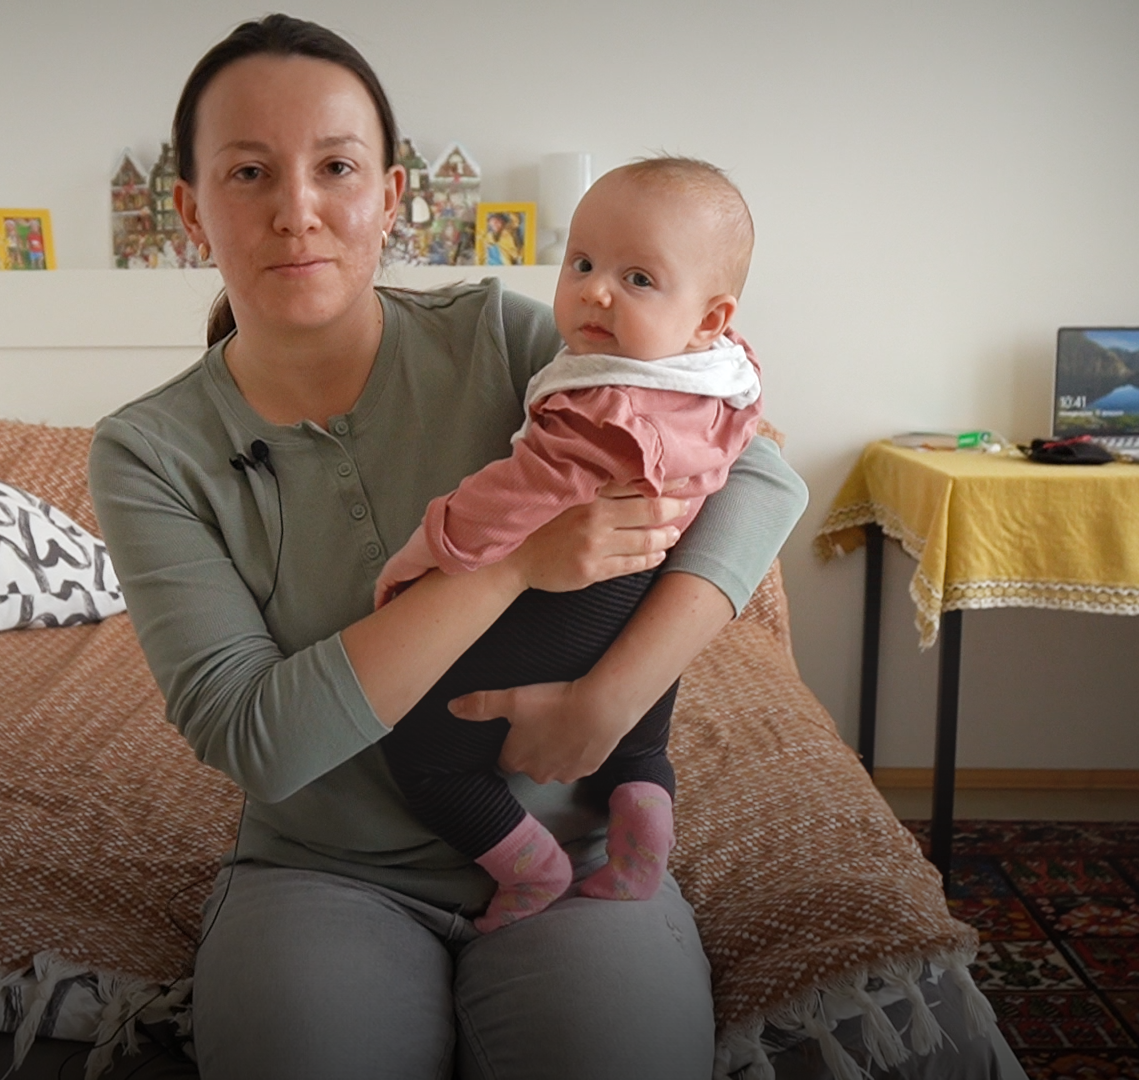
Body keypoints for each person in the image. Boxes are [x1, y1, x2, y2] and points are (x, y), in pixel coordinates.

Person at [88, 13, 807, 1079]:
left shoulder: (510, 341)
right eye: (248, 173)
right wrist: (516, 562)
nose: (297, 211)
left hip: (575, 835)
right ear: (192, 210)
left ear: (389, 194)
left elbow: (760, 477)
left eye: (336, 166)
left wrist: (611, 704)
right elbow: (260, 741)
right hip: (321, 873)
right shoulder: (147, 454)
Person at [373, 157, 762, 933]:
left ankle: (530, 865)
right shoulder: (725, 378)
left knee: (422, 748)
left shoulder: (599, 402)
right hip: (654, 590)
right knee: (637, 746)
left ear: (710, 317)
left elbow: (512, 498)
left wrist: (426, 547)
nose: (596, 291)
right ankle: (642, 832)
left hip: (577, 599)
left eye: (639, 279)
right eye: (582, 263)